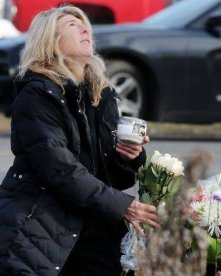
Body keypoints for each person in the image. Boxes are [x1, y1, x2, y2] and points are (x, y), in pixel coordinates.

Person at [0, 5, 159, 275]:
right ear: (52, 42)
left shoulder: (101, 94)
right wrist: (123, 206)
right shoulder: (37, 95)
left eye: (84, 24)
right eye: (72, 25)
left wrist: (129, 156)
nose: (85, 28)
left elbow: (115, 178)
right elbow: (58, 169)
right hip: (41, 223)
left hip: (91, 221)